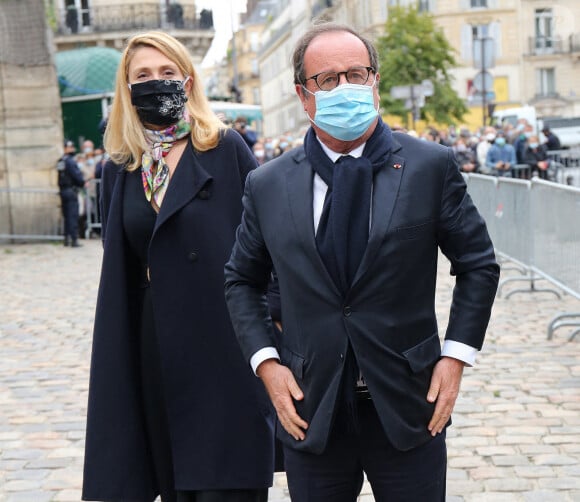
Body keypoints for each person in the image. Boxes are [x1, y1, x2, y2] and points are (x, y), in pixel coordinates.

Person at [224, 22, 500, 502]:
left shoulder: (429, 166)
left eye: (357, 73)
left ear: (375, 81)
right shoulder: (267, 184)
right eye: (328, 80)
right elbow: (241, 280)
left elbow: (477, 263)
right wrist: (267, 364)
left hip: (410, 404)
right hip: (311, 407)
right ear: (303, 96)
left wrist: (456, 356)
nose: (345, 87)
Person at [82, 31, 275, 502]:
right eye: (143, 75)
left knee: (229, 482)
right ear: (126, 91)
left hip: (226, 339)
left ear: (187, 80)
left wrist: (273, 324)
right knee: (173, 481)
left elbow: (269, 244)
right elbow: (119, 266)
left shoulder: (226, 147)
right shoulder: (122, 166)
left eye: (167, 72)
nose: (156, 82)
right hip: (156, 346)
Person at [57, 140, 85, 247]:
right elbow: (77, 176)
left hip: (63, 190)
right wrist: (82, 182)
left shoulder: (60, 161)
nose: (73, 149)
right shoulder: (70, 161)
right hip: (71, 190)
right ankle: (74, 239)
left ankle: (66, 239)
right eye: (71, 147)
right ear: (66, 148)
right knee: (72, 215)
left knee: (66, 215)